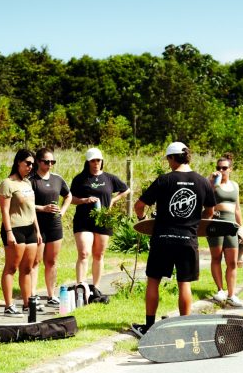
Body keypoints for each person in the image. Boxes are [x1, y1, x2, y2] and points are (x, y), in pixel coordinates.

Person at [131, 142, 216, 336]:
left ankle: (149, 328)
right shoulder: (203, 182)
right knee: (184, 283)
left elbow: (139, 205)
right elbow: (210, 211)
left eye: (168, 159)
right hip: (188, 239)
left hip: (163, 238)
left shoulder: (164, 180)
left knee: (153, 281)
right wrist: (197, 223)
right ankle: (186, 329)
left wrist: (143, 221)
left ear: (172, 158)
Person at [70, 148, 130, 287]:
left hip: (103, 220)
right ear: (88, 162)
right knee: (84, 253)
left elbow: (126, 190)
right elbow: (70, 198)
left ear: (102, 161)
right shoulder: (80, 179)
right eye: (93, 160)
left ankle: (95, 288)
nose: (96, 163)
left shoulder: (109, 178)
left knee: (98, 254)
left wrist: (113, 201)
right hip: (83, 220)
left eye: (98, 160)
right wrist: (84, 200)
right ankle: (81, 287)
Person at [0, 149, 42, 316]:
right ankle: (9, 305)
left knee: (28, 268)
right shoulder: (7, 183)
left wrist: (37, 230)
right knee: (11, 267)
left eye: (33, 164)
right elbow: (4, 211)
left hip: (30, 228)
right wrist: (9, 232)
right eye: (28, 163)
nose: (31, 167)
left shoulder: (27, 183)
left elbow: (32, 209)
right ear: (18, 162)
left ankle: (26, 303)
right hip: (15, 229)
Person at [30, 148, 72, 306]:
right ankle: (32, 295)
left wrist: (62, 211)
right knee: (36, 261)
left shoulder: (57, 179)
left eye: (52, 162)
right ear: (38, 162)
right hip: (37, 224)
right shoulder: (31, 180)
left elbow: (68, 195)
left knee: (52, 261)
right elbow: (25, 203)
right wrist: (42, 208)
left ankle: (51, 294)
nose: (50, 164)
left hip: (54, 224)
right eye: (46, 162)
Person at [207, 153, 243, 307]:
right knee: (216, 257)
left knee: (232, 261)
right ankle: (220, 290)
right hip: (216, 221)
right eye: (218, 168)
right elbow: (206, 203)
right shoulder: (213, 184)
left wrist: (241, 228)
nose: (221, 170)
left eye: (224, 168)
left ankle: (231, 294)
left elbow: (238, 209)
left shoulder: (235, 185)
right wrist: (210, 183)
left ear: (231, 169)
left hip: (230, 224)